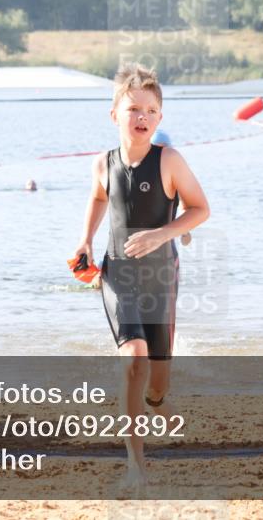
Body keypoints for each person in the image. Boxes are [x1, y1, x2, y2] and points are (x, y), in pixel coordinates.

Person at [74, 63, 209, 489]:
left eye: (150, 110)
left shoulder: (169, 160)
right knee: (133, 359)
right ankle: (136, 461)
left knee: (157, 380)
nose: (142, 117)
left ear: (160, 118)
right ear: (114, 114)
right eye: (133, 109)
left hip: (160, 279)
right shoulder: (102, 163)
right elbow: (99, 197)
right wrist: (85, 242)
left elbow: (200, 209)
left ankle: (156, 401)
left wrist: (162, 234)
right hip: (118, 276)